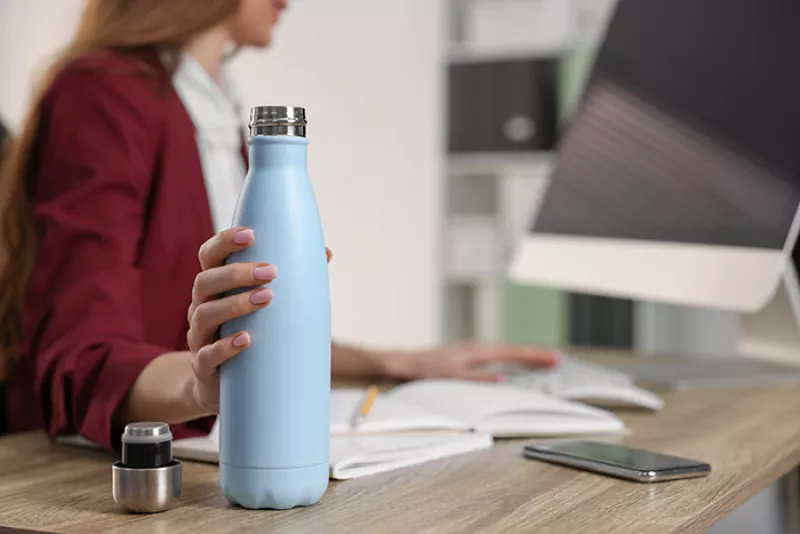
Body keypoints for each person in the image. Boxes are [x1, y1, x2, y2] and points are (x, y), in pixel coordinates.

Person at [0, 0, 557, 451]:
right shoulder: (103, 92)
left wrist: (403, 363)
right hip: (85, 477)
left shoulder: (217, 111)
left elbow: (239, 339)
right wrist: (203, 386)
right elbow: (80, 361)